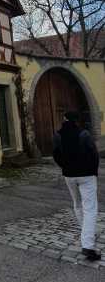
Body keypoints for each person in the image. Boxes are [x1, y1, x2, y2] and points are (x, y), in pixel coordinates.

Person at [53, 111, 101, 262]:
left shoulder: (58, 135)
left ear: (65, 119)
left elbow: (56, 155)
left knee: (78, 205)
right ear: (77, 121)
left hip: (69, 176)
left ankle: (85, 234)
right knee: (90, 208)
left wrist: (65, 167)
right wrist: (93, 171)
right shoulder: (84, 134)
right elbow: (94, 154)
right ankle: (88, 244)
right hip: (86, 175)